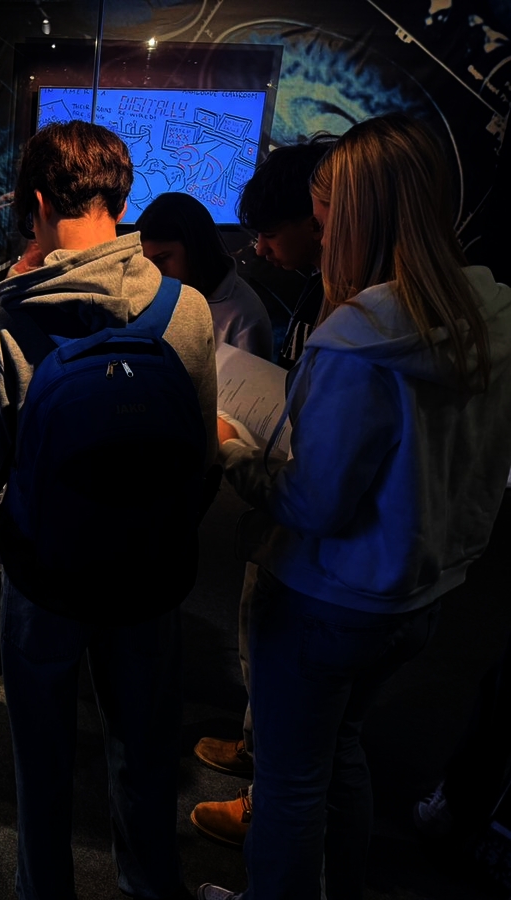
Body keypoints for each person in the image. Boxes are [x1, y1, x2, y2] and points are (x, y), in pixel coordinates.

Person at [197, 113, 511, 900]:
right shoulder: (492, 314)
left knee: (291, 782)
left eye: (326, 218)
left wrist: (231, 450)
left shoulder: (356, 341)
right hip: (419, 600)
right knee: (340, 754)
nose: (322, 235)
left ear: (356, 217)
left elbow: (312, 501)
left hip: (327, 602)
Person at [0, 120, 217, 900]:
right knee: (144, 749)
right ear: (122, 198)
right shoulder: (187, 310)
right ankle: (149, 886)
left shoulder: (7, 320)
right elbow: (201, 456)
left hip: (45, 573)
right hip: (148, 571)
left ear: (39, 205)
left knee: (40, 756)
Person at [188, 135, 337, 850]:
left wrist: (232, 449)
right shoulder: (324, 289)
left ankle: (267, 808)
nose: (261, 248)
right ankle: (259, 754)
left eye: (273, 231)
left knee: (306, 704)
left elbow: (321, 489)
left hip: (315, 542)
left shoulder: (360, 326)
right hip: (292, 511)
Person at [236, 135, 335, 369]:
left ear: (315, 223)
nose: (260, 249)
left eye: (270, 235)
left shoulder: (346, 301)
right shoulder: (316, 283)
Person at [138, 191, 272, 360]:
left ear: (196, 249)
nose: (154, 272)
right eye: (147, 262)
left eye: (162, 258)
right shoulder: (161, 295)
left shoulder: (244, 317)